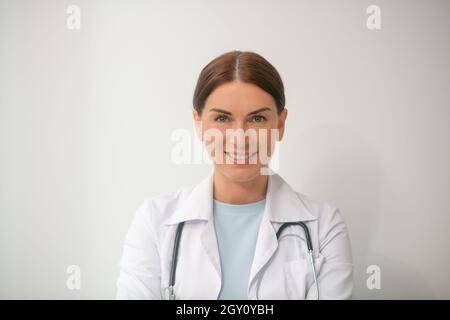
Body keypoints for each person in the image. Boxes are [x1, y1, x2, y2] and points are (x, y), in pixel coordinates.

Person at [116, 50, 353, 299]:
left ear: (280, 125)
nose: (241, 138)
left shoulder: (324, 226)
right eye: (222, 118)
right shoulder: (154, 221)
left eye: (258, 118)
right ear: (198, 124)